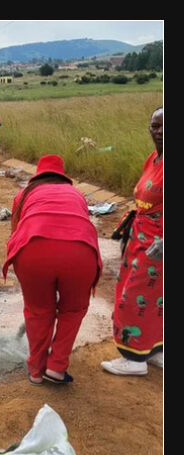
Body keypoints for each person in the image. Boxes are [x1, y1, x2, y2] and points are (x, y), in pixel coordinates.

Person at [2, 154, 103, 386]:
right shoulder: (76, 193)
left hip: (34, 251)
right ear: (62, 176)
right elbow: (80, 221)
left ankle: (36, 372)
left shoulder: (24, 194)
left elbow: (16, 231)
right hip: (79, 253)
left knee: (38, 310)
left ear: (38, 175)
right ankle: (56, 367)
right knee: (73, 310)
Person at [101, 106, 163, 375]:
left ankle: (133, 359)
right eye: (154, 126)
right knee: (154, 298)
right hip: (139, 236)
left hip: (158, 245)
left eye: (163, 126)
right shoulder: (153, 159)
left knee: (134, 296)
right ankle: (154, 350)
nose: (158, 132)